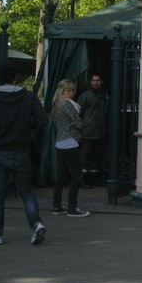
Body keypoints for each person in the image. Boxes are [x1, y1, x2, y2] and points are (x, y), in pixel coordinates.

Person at [0, 61, 49, 245]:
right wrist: (27, 127)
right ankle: (36, 224)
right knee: (26, 191)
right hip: (22, 150)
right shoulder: (28, 97)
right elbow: (42, 121)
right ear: (16, 77)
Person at [51, 79, 91, 217]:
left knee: (61, 176)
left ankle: (57, 205)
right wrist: (75, 124)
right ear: (62, 91)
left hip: (59, 142)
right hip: (70, 142)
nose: (71, 93)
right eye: (69, 90)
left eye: (73, 90)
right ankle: (72, 207)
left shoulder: (56, 104)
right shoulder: (68, 104)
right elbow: (79, 123)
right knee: (76, 176)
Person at [77, 73, 108, 188]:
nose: (95, 83)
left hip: (99, 131)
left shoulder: (104, 96)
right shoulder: (85, 97)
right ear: (90, 82)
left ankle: (94, 178)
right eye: (94, 80)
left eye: (97, 80)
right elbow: (79, 114)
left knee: (96, 157)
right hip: (88, 131)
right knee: (84, 156)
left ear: (101, 82)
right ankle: (83, 179)